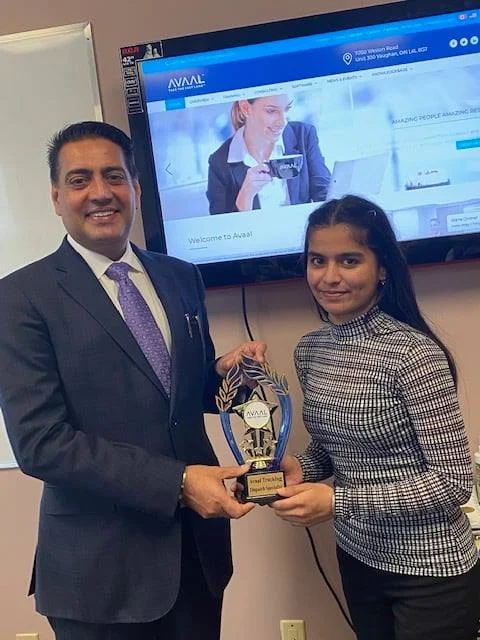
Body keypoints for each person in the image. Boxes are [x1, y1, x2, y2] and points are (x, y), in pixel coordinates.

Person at [0, 121, 265, 640]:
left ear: (136, 189)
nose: (100, 192)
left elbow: (183, 393)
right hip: (100, 575)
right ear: (56, 198)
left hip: (198, 558)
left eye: (114, 176)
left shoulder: (180, 276)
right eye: (80, 180)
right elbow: (40, 443)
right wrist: (179, 483)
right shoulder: (20, 298)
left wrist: (230, 375)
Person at [271, 195, 480, 639]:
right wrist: (299, 467)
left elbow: (452, 483)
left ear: (381, 267)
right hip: (358, 558)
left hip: (431, 569)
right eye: (317, 260)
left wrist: (338, 502)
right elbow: (332, 448)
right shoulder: (311, 350)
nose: (329, 276)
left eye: (349, 260)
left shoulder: (413, 353)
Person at [207, 94, 331, 214]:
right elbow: (221, 224)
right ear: (245, 108)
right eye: (271, 111)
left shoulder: (304, 135)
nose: (283, 122)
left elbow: (325, 195)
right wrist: (245, 196)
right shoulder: (219, 162)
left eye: (286, 109)